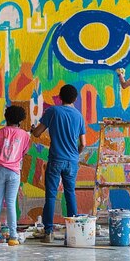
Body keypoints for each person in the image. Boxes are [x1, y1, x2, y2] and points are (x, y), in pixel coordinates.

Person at [31, 84, 86, 244]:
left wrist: (34, 129)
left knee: (51, 195)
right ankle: (73, 233)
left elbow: (37, 133)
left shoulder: (53, 112)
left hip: (56, 159)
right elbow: (83, 143)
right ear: (75, 99)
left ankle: (48, 232)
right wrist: (75, 154)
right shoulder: (79, 116)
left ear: (60, 97)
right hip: (72, 161)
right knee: (70, 194)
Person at [0, 106, 31, 246]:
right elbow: (24, 153)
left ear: (6, 118)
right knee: (10, 203)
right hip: (14, 172)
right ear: (20, 120)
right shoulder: (24, 135)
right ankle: (13, 236)